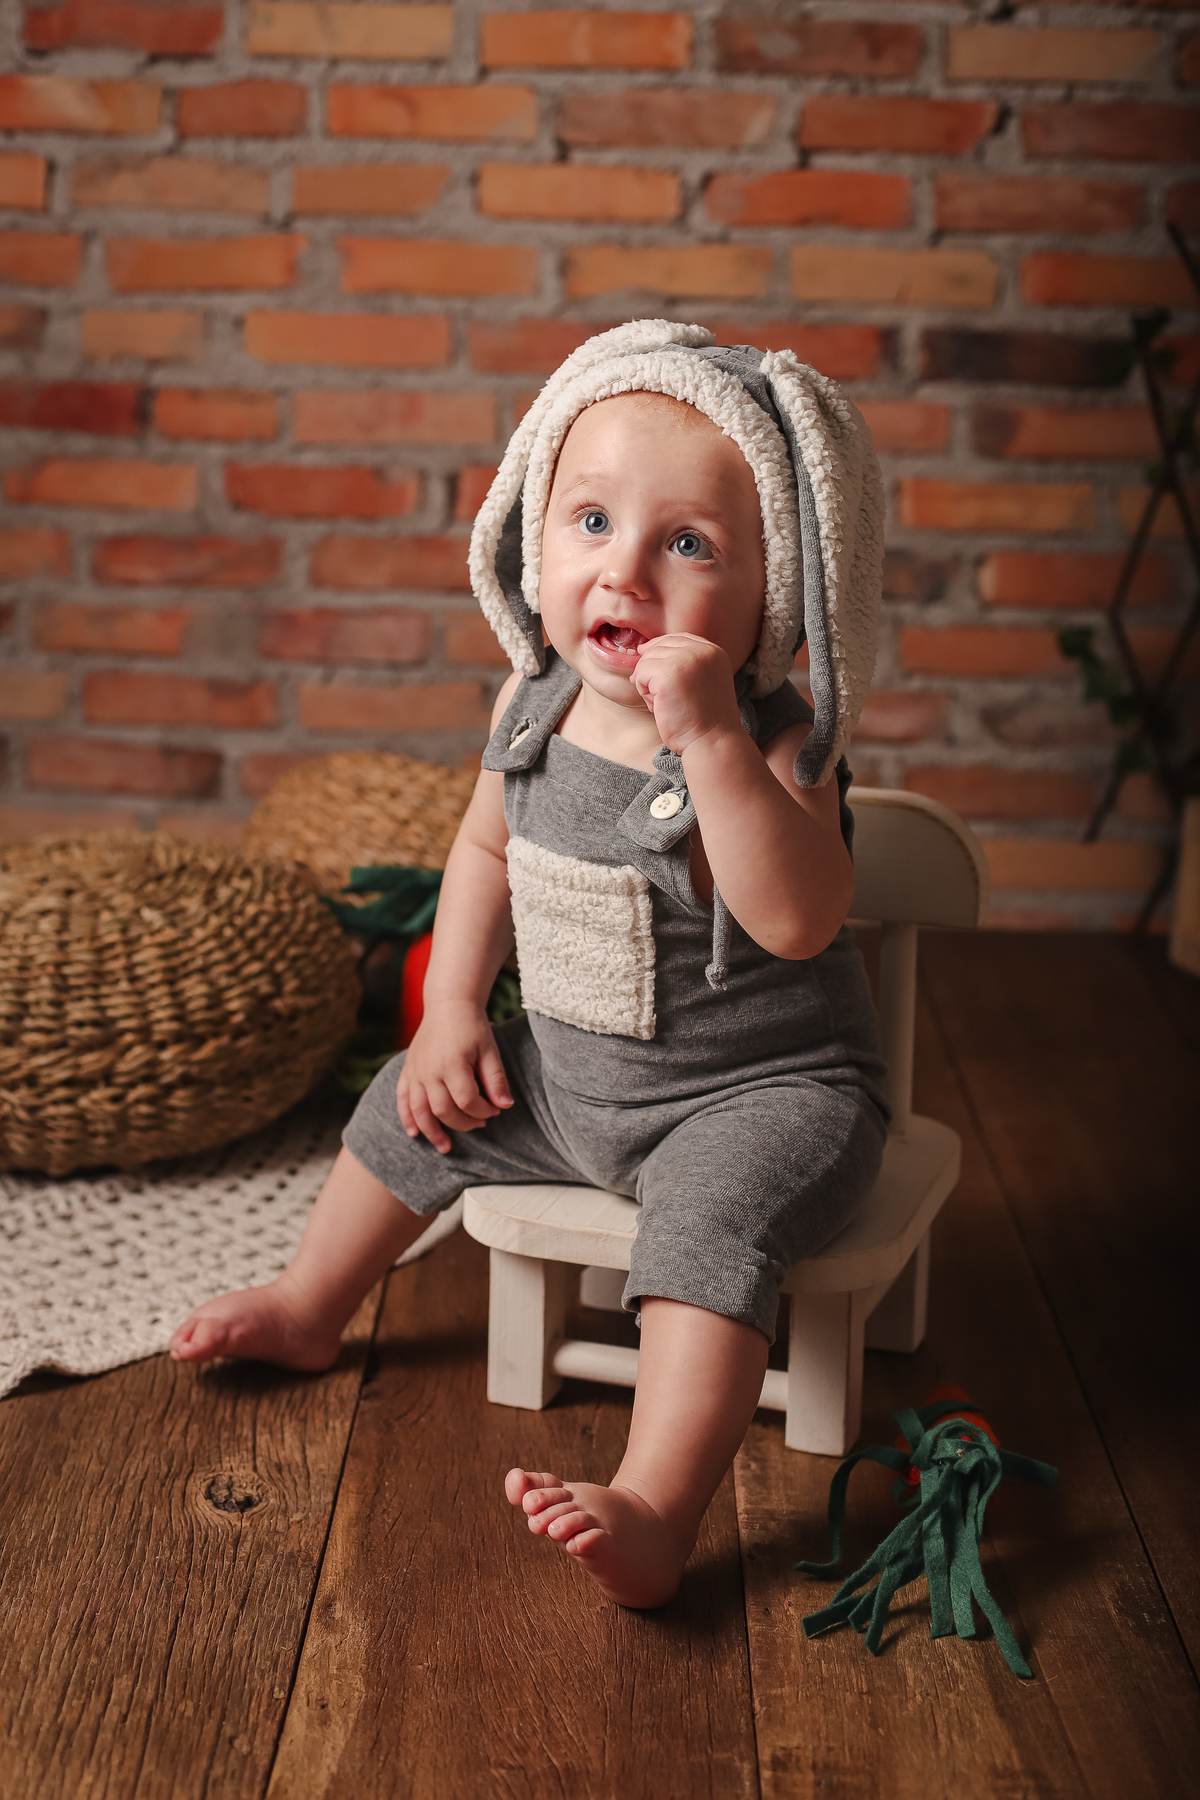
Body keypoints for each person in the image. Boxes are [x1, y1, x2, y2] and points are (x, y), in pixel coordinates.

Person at [170, 322, 889, 1611]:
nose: (627, 571)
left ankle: (657, 1504)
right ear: (533, 538)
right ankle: (310, 1303)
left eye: (689, 545)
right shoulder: (532, 707)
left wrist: (711, 741)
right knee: (415, 1097)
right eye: (592, 521)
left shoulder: (781, 748)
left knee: (709, 1230)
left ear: (775, 590)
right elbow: (484, 852)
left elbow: (798, 918)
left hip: (762, 1096)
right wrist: (452, 1007)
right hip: (568, 1081)